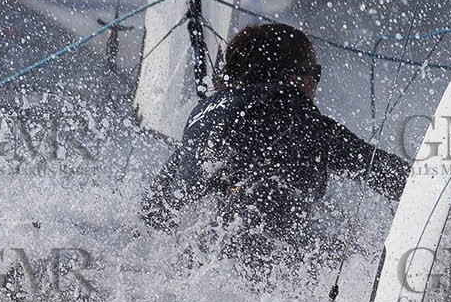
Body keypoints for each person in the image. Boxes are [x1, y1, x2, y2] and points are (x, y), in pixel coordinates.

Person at [142, 22, 408, 263]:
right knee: (362, 257)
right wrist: (443, 192)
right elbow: (383, 172)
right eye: (314, 73)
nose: (315, 83)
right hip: (261, 261)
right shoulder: (291, 115)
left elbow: (154, 209)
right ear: (292, 76)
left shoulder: (201, 118)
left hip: (196, 257)